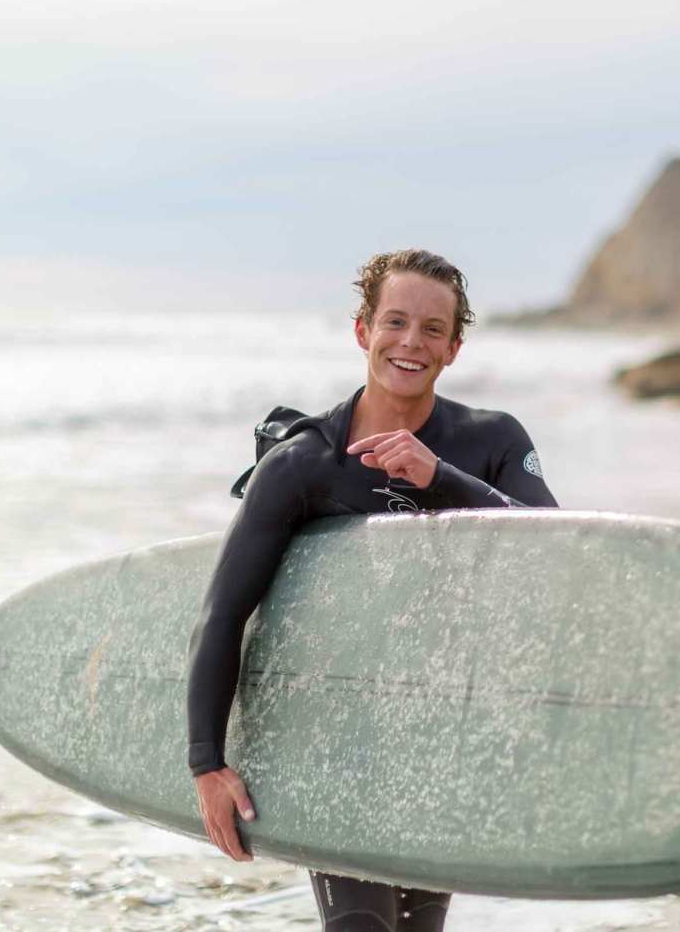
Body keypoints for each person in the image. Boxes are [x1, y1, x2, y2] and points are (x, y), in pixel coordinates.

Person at [185, 249, 558, 932]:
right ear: (363, 331)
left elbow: (554, 550)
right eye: (395, 321)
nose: (410, 341)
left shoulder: (492, 442)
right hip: (338, 738)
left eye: (431, 328)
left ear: (454, 346)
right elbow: (224, 611)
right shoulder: (304, 463)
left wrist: (442, 479)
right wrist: (207, 762)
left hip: (445, 735)